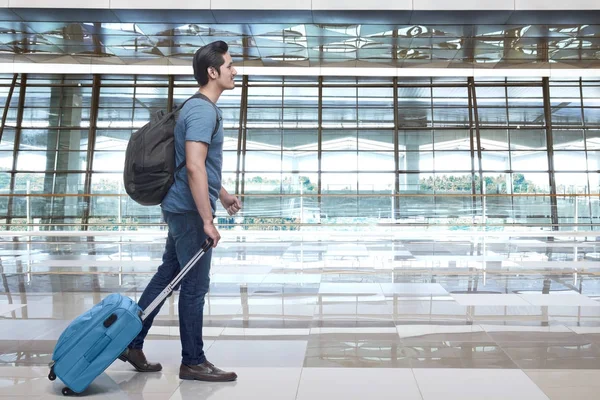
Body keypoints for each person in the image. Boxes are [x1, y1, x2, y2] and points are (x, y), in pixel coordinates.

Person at [118, 40, 241, 382]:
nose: (235, 72)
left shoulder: (196, 107)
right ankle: (193, 360)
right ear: (212, 72)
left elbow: (199, 166)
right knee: (194, 286)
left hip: (180, 207)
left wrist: (224, 194)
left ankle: (131, 341)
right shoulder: (203, 110)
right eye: (230, 66)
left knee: (167, 275)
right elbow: (193, 168)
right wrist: (207, 219)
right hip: (188, 212)